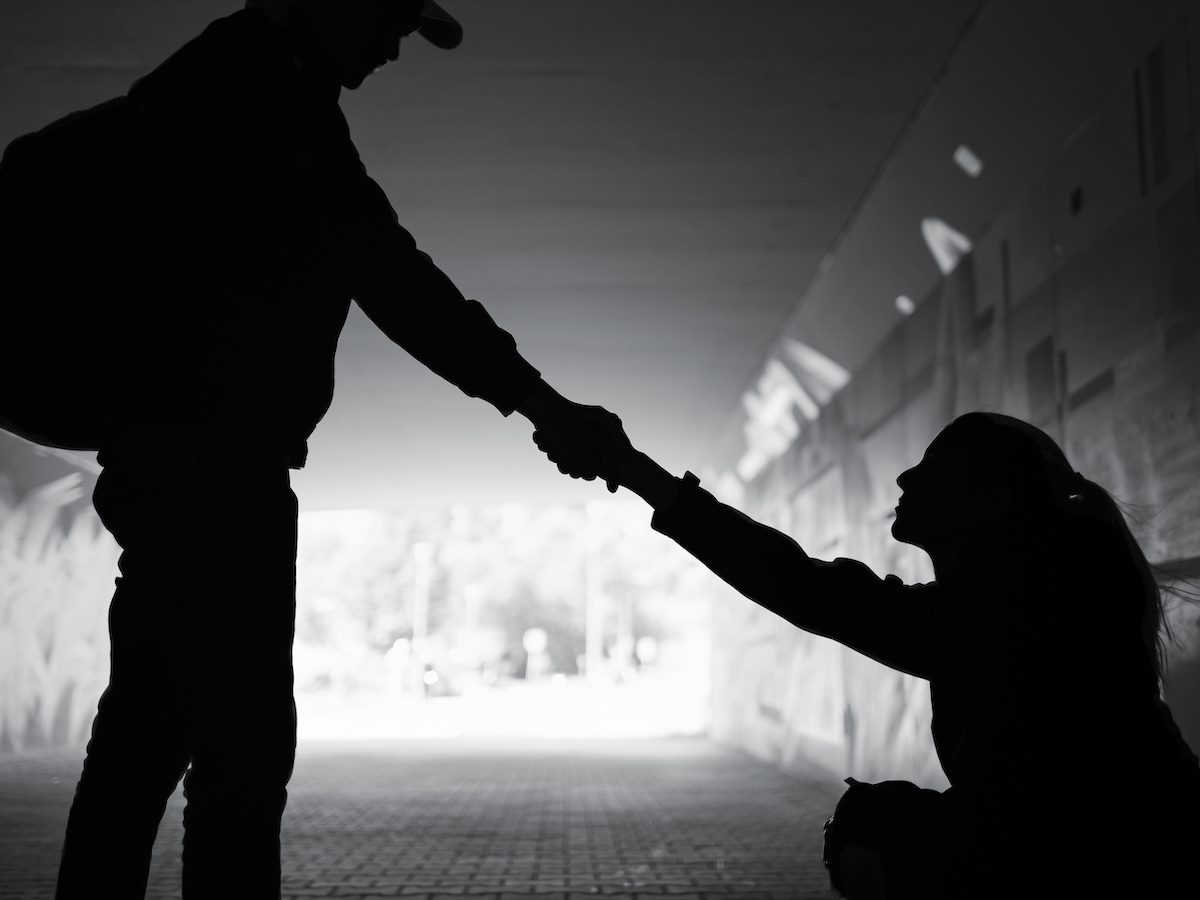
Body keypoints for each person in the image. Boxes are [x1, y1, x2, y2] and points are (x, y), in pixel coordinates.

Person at [50, 2, 623, 898]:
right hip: (219, 475)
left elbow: (380, 268)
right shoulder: (273, 107)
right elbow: (395, 277)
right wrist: (541, 404)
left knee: (142, 742)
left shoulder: (218, 90)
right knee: (238, 764)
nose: (395, 46)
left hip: (165, 464)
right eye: (391, 19)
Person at [543, 411, 1200, 898]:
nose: (906, 474)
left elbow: (800, 585)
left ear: (994, 501)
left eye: (937, 466)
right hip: (1123, 847)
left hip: (1114, 861)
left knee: (872, 824)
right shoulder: (1035, 588)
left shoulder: (1026, 602)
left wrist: (633, 471)